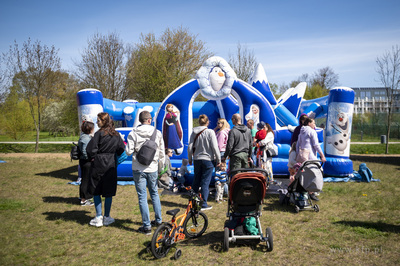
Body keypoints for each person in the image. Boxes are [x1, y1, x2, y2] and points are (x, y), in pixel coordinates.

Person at [125, 110, 165, 235]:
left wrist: (136, 149)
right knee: (154, 194)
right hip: (152, 167)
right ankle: (159, 220)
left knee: (142, 196)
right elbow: (161, 152)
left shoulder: (133, 133)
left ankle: (146, 226)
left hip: (138, 168)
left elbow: (128, 151)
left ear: (140, 120)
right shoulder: (157, 133)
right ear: (149, 120)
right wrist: (161, 167)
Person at [86, 112, 126, 227]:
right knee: (109, 191)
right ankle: (107, 217)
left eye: (98, 120)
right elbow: (120, 150)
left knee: (96, 190)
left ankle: (99, 217)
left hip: (98, 163)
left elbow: (90, 150)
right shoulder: (116, 135)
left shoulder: (98, 134)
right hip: (111, 165)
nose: (97, 122)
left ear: (103, 121)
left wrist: (93, 158)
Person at [188, 114, 221, 211]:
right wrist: (218, 160)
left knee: (196, 181)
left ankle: (193, 202)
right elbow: (215, 147)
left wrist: (190, 158)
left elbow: (190, 147)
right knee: (205, 182)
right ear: (208, 122)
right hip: (208, 159)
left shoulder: (193, 132)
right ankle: (204, 204)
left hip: (197, 159)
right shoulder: (210, 132)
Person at [296, 117, 326, 201]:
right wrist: (322, 155)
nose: (314, 125)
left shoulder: (301, 132)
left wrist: (299, 154)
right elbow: (316, 145)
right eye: (313, 123)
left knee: (304, 174)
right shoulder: (312, 131)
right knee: (314, 174)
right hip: (311, 157)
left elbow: (298, 145)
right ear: (309, 123)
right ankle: (312, 193)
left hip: (303, 156)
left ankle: (304, 192)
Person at [78, 119, 95, 206]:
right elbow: (85, 151)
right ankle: (83, 199)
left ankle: (86, 196)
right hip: (86, 162)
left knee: (86, 179)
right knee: (85, 180)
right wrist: (90, 158)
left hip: (85, 161)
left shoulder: (85, 136)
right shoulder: (85, 138)